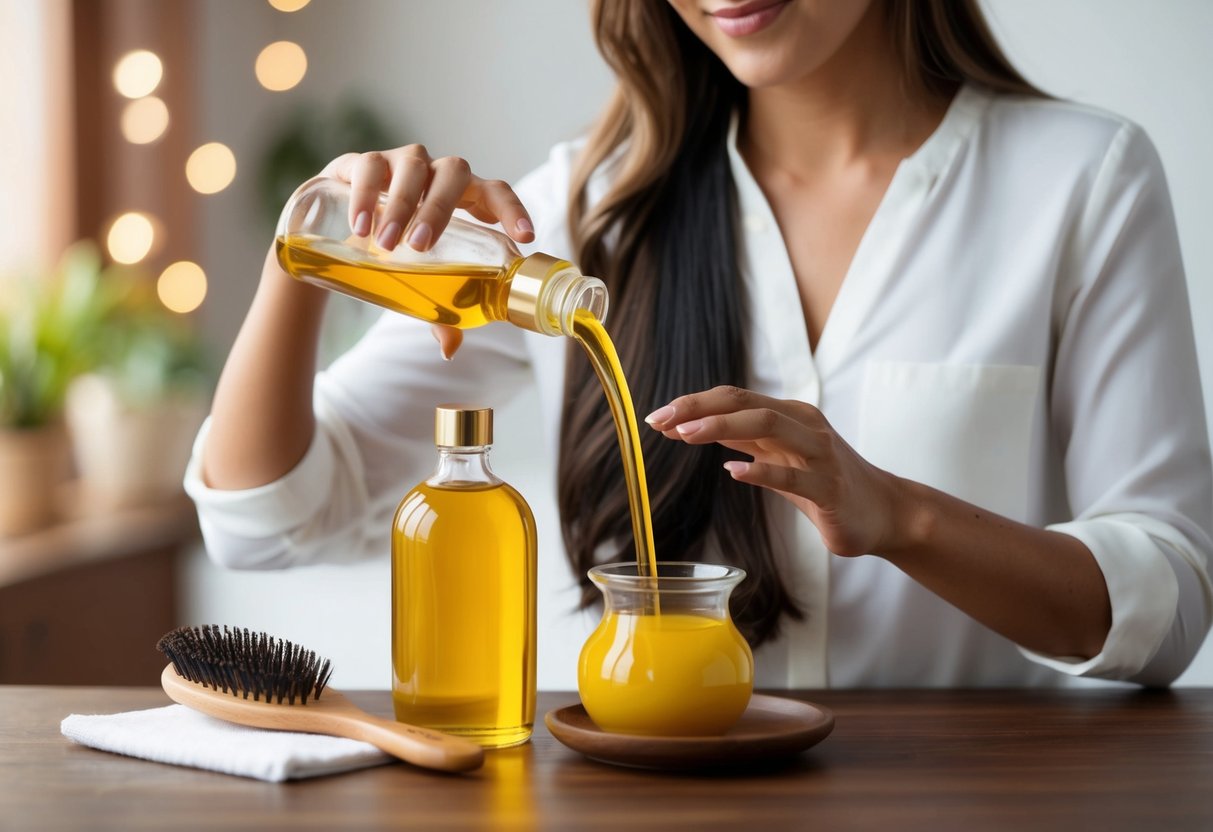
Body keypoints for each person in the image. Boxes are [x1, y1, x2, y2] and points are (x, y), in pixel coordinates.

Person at [185, 0, 1213, 688]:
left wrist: (899, 513)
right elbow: (265, 518)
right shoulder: (584, 214)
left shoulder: (1080, 181)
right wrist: (306, 247)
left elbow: (1165, 600)